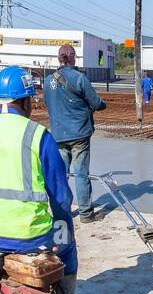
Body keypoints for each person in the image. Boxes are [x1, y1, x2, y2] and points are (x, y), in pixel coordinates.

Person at [0, 66, 77, 294]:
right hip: (32, 236)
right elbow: (61, 198)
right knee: (67, 242)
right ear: (26, 101)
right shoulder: (37, 135)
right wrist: (63, 231)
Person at [43, 44, 107, 223]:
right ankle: (86, 214)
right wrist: (103, 104)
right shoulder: (80, 79)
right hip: (79, 134)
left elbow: (48, 102)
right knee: (80, 173)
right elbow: (95, 103)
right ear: (73, 57)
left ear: (59, 58)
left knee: (60, 174)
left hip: (58, 134)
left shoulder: (48, 81)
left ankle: (62, 214)